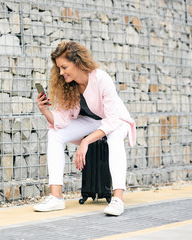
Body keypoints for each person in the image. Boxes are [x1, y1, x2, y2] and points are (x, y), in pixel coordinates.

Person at [33, 41, 136, 216]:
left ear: (78, 62)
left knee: (114, 137)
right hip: (91, 122)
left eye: (64, 67)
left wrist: (86, 141)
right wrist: (44, 110)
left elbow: (111, 121)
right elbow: (60, 121)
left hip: (116, 120)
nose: (61, 72)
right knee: (55, 133)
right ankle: (56, 197)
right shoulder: (68, 85)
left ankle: (118, 199)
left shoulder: (101, 78)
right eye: (59, 68)